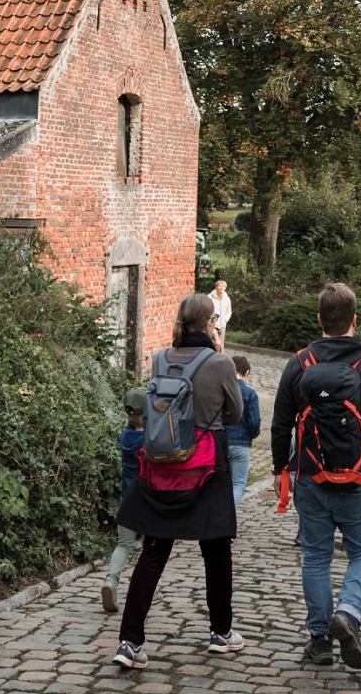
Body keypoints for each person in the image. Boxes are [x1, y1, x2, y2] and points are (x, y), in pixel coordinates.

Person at [272, 282, 361, 669]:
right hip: (358, 478)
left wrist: (282, 470)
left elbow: (281, 426)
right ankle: (348, 611)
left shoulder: (300, 363)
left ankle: (320, 642)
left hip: (310, 479)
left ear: (319, 321)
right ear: (354, 320)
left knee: (315, 557)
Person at [112, 294, 243, 670]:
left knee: (153, 552)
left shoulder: (160, 358)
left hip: (163, 466)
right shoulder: (220, 363)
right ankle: (221, 633)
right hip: (206, 466)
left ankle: (129, 641)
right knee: (216, 551)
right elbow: (234, 414)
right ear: (208, 323)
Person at [101, 388, 147, 613]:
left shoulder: (125, 435)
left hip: (126, 500)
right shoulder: (150, 440)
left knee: (124, 545)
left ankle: (111, 580)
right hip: (149, 501)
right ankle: (150, 588)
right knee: (151, 549)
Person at [225, 354, 262, 509]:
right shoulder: (250, 393)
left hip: (222, 441)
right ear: (246, 372)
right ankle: (227, 517)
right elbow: (254, 421)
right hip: (241, 443)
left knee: (222, 483)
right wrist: (253, 434)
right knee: (238, 483)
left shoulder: (223, 391)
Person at [208, 279, 233, 350]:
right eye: (220, 286)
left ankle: (221, 359)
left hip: (222, 324)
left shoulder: (227, 299)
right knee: (216, 342)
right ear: (216, 287)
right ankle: (213, 357)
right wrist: (210, 320)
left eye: (223, 287)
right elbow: (206, 309)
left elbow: (229, 312)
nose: (222, 288)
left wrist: (225, 320)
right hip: (213, 324)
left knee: (221, 344)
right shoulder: (210, 297)